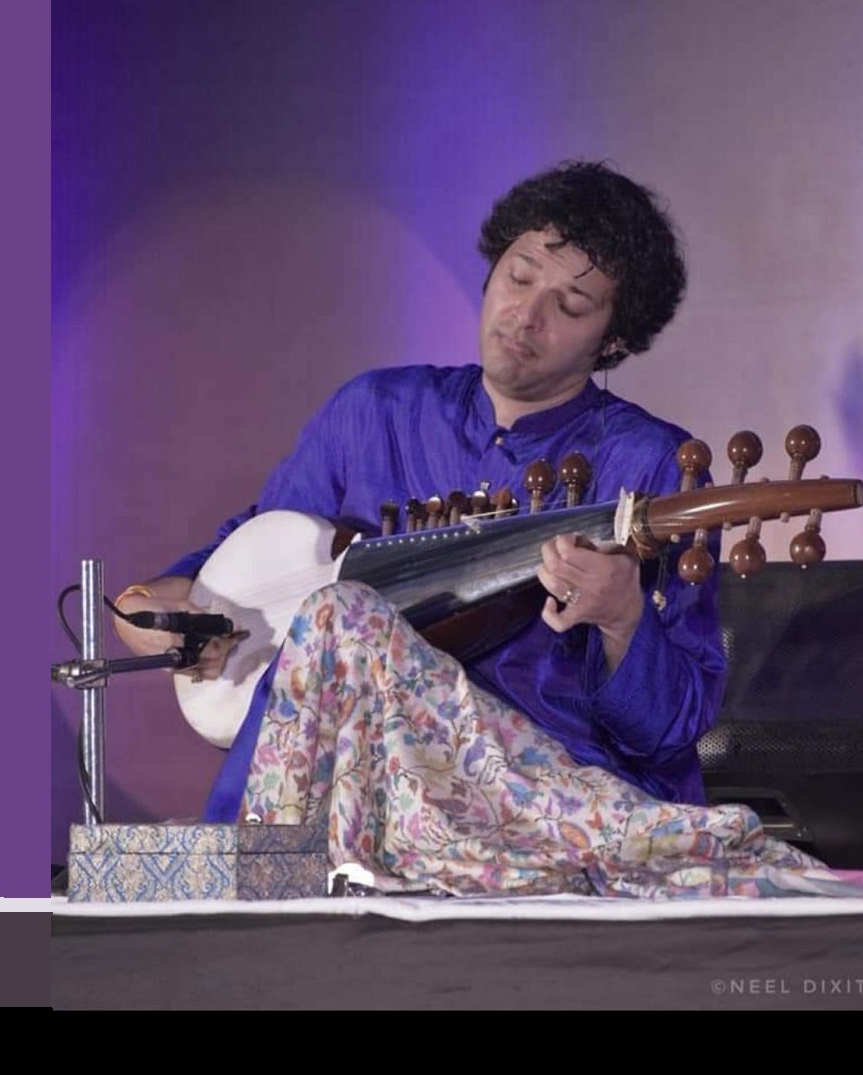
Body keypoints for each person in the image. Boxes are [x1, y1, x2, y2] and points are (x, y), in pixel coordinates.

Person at [113, 160, 727, 813]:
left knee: (348, 624)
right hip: (368, 787)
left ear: (613, 341)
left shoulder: (655, 468)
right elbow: (255, 545)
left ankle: (274, 847)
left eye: (570, 305)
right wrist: (161, 608)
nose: (527, 316)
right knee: (342, 623)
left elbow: (669, 730)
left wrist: (624, 621)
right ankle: (269, 852)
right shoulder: (374, 413)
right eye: (519, 278)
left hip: (552, 794)